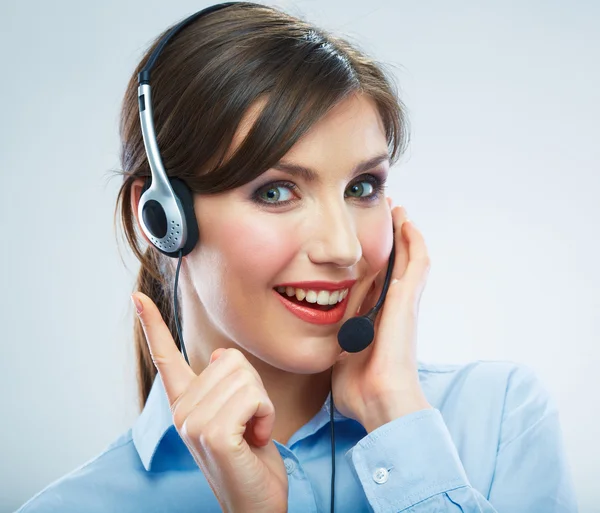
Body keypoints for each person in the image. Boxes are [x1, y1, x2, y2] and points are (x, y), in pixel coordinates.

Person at [17, 2, 578, 512]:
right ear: (163, 219)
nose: (343, 248)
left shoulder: (499, 419)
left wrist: (397, 419)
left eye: (362, 188)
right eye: (275, 191)